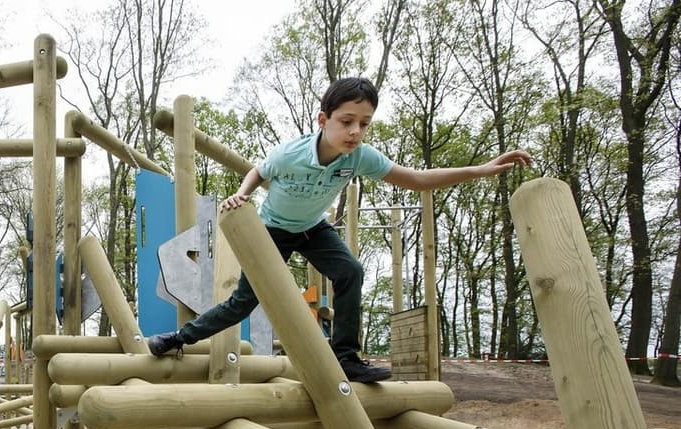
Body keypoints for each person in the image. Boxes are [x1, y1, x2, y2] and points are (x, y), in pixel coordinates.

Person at [147, 77, 532, 382]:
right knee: (244, 303)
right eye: (346, 122)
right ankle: (178, 340)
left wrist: (482, 168)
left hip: (314, 228)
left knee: (351, 271)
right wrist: (243, 194)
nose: (355, 132)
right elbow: (258, 172)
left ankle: (346, 357)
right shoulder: (292, 153)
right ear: (323, 120)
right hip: (274, 230)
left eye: (364, 124)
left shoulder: (361, 157)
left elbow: (417, 179)